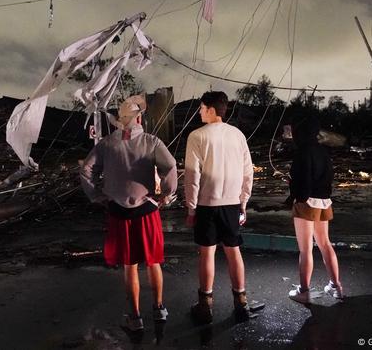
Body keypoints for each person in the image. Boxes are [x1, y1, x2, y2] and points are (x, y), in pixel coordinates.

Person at [80, 95, 177, 332]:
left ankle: (135, 317)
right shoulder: (151, 141)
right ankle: (159, 308)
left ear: (120, 121)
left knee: (130, 265)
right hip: (146, 210)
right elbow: (171, 166)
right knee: (153, 262)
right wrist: (165, 195)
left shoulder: (106, 144)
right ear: (139, 118)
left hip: (117, 212)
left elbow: (86, 169)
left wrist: (96, 196)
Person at [184, 91, 264, 324]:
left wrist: (191, 209)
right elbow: (247, 172)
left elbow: (192, 176)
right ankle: (241, 302)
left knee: (207, 253)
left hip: (207, 205)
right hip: (231, 204)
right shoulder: (237, 135)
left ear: (210, 109)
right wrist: (243, 202)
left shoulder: (196, 136)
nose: (199, 111)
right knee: (233, 251)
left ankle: (205, 305)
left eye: (201, 107)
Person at [287, 118, 343, 304]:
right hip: (324, 201)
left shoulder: (302, 152)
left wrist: (295, 195)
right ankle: (336, 286)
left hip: (306, 203)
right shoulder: (323, 151)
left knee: (305, 249)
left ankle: (304, 291)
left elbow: (302, 180)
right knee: (325, 244)